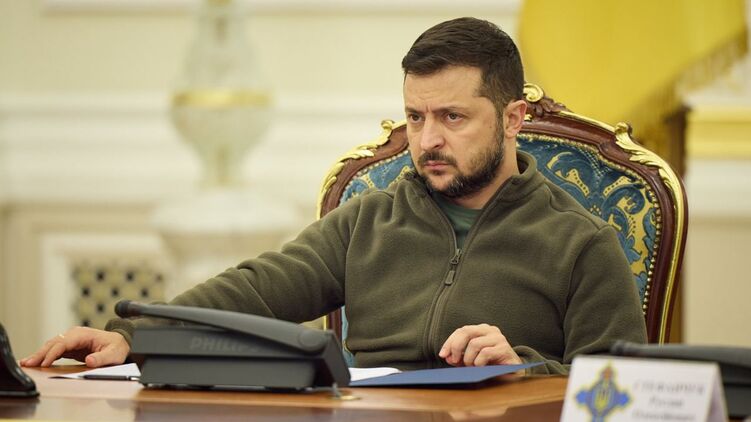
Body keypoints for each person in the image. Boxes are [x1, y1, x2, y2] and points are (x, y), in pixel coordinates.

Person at [22, 17, 646, 374]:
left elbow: (623, 397)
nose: (427, 139)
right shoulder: (369, 219)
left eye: (452, 117)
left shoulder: (581, 244)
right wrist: (133, 336)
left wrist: (523, 367)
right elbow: (256, 290)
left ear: (512, 119)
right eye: (416, 116)